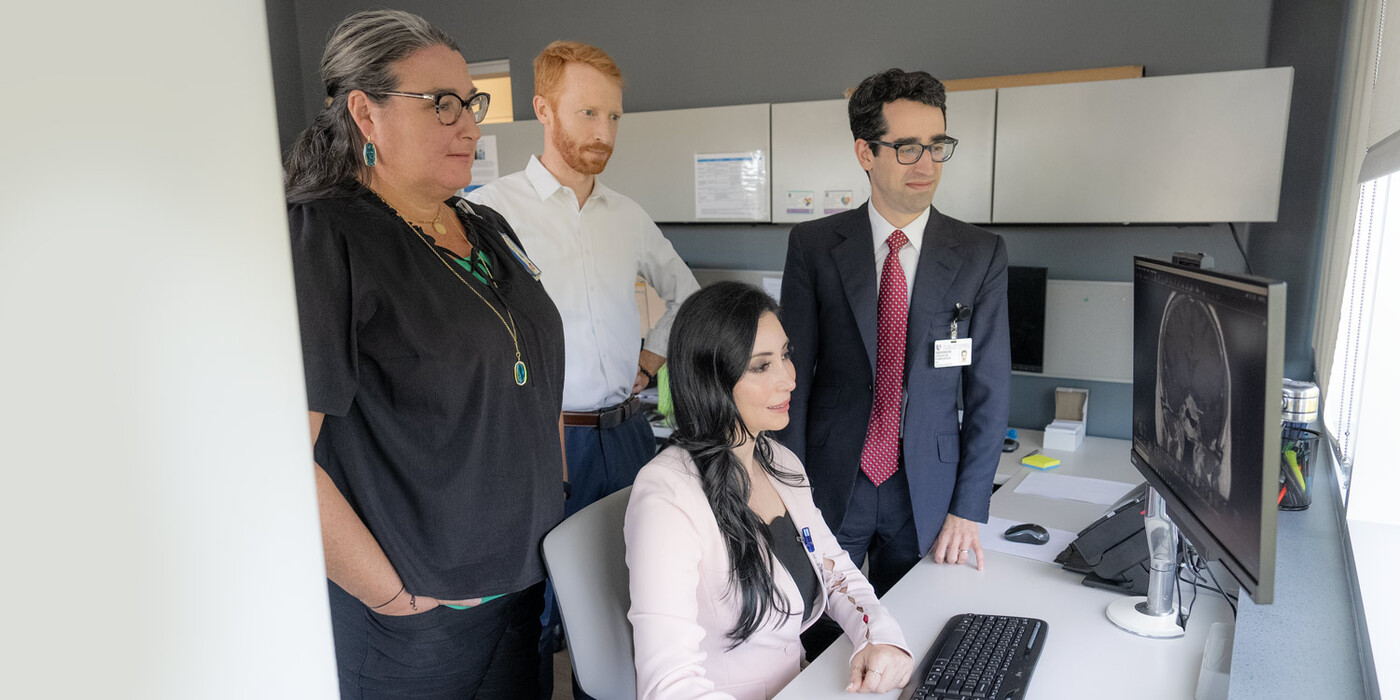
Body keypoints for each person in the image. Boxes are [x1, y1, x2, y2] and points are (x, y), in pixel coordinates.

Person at [284, 10, 566, 698]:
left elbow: (525, 370)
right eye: (442, 104)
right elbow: (280, 453)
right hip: (419, 615)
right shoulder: (325, 234)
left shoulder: (485, 225)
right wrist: (389, 596)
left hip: (522, 582)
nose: (470, 124)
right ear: (366, 114)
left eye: (471, 103)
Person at [466, 40, 700, 665]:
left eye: (614, 116)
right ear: (543, 110)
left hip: (624, 437)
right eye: (588, 113)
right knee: (538, 613)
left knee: (634, 595)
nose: (604, 132)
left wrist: (648, 361)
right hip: (546, 439)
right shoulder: (490, 212)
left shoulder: (626, 215)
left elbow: (687, 295)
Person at [776, 68, 1011, 601]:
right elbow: (789, 381)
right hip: (832, 480)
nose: (926, 164)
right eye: (906, 147)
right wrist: (789, 495)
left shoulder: (980, 254)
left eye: (936, 145)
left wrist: (969, 507)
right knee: (813, 627)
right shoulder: (814, 246)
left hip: (928, 490)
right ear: (866, 152)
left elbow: (989, 391)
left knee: (915, 631)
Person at [626, 282, 913, 699]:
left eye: (786, 355)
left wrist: (880, 637)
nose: (790, 379)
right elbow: (670, 687)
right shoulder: (666, 497)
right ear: (712, 380)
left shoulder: (780, 462)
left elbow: (835, 572)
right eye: (762, 366)